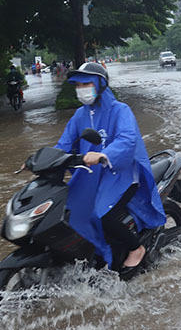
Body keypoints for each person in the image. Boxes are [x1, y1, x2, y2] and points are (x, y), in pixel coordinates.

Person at [54, 62, 165, 271]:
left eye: (86, 83)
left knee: (100, 214)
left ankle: (136, 247)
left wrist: (104, 154)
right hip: (90, 175)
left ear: (101, 84)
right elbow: (64, 144)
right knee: (69, 211)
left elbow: (127, 139)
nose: (81, 89)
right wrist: (44, 160)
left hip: (121, 173)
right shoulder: (80, 115)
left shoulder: (120, 110)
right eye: (78, 85)